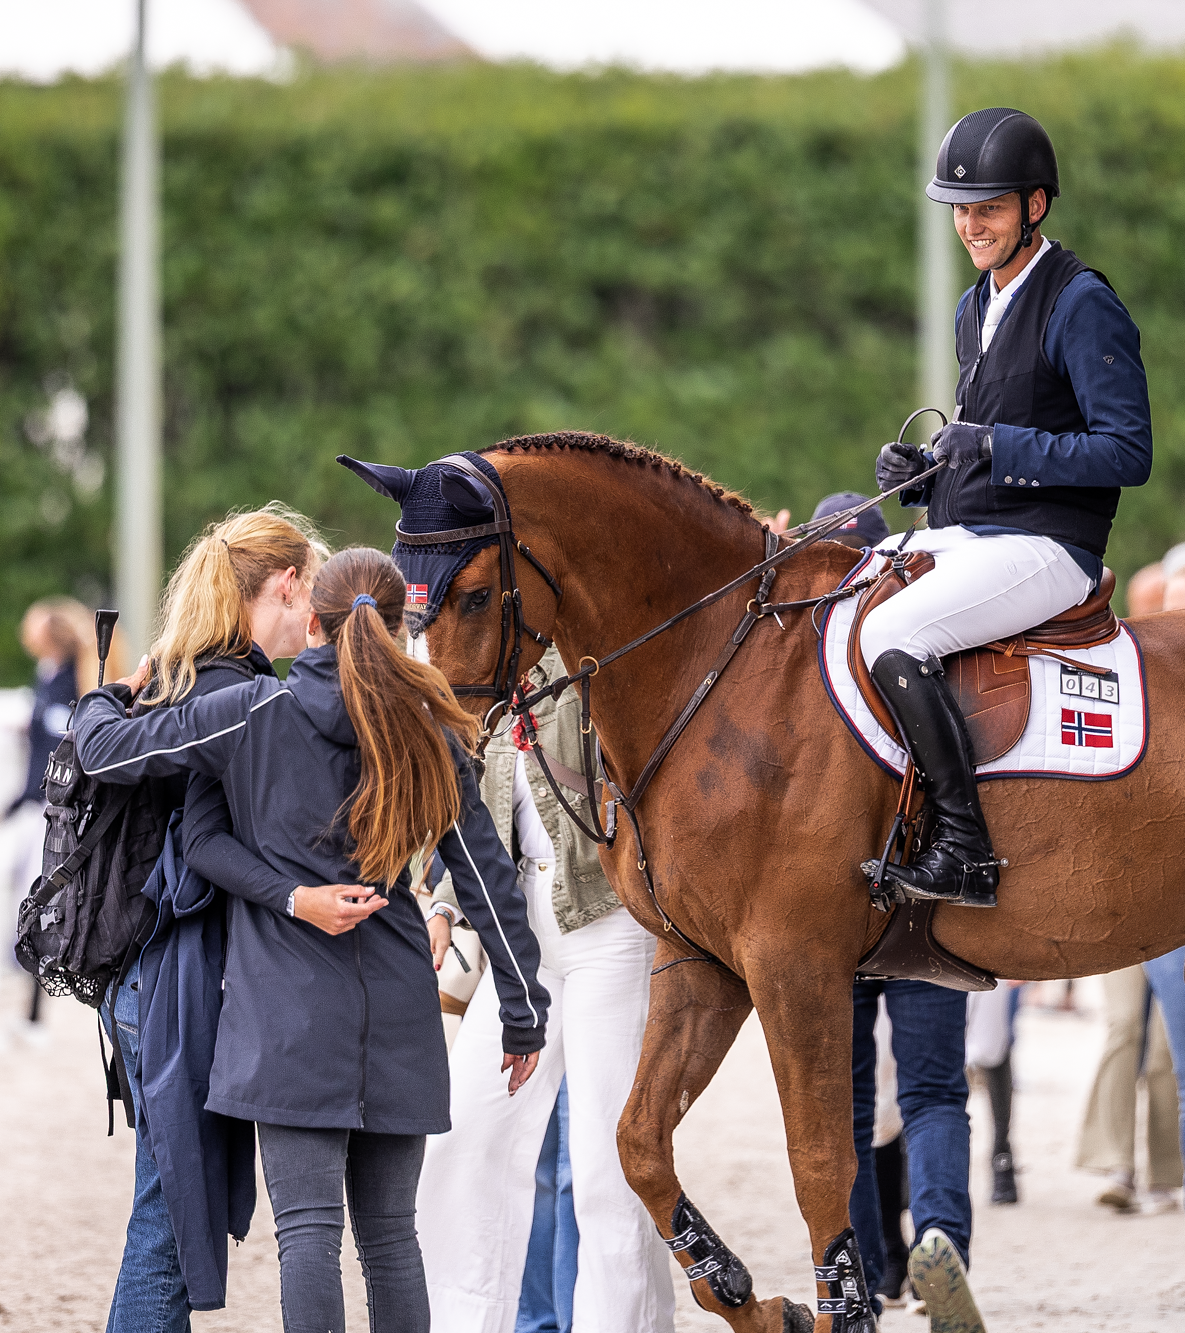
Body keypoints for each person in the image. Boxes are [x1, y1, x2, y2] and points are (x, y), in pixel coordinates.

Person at [74, 546, 550, 1333]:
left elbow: (104, 754)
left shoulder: (250, 711)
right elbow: (484, 877)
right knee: (392, 1240)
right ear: (399, 624)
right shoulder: (429, 728)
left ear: (314, 623)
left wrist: (108, 695)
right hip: (397, 1009)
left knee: (308, 1236)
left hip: (285, 1016)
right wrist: (523, 1010)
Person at [868, 107, 1153, 909]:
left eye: (986, 207)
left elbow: (1127, 451)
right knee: (841, 592)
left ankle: (965, 850)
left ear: (1034, 205)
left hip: (1049, 548)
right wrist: (923, 476)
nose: (969, 225)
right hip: (973, 534)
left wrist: (996, 445)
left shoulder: (1079, 301)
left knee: (892, 633)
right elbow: (986, 444)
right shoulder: (974, 306)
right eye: (959, 209)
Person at [99, 504, 330, 1331]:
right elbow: (205, 843)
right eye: (316, 591)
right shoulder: (239, 696)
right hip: (176, 981)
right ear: (289, 583)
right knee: (168, 1219)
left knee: (166, 1205)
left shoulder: (182, 678)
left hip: (141, 976)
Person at [417, 644, 675, 1333]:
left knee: (604, 1166)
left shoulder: (598, 659)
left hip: (607, 922)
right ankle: (462, 1322)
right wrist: (446, 904)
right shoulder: (495, 671)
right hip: (523, 929)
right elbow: (482, 810)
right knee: (462, 1133)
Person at [5, 598, 120, 1026]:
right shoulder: (45, 674)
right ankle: (28, 998)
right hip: (30, 801)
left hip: (54, 807)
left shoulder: (76, 677)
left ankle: (35, 1008)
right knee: (21, 896)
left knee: (38, 899)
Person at [850, 979, 984, 1330]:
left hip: (827, 953)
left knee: (844, 1107)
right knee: (934, 1095)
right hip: (921, 952)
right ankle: (940, 1233)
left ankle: (853, 1287)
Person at [1076, 966, 1181, 1214]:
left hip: (1175, 943)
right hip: (1118, 942)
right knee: (1123, 1024)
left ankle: (1165, 1176)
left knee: (1165, 1047)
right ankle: (1117, 1164)